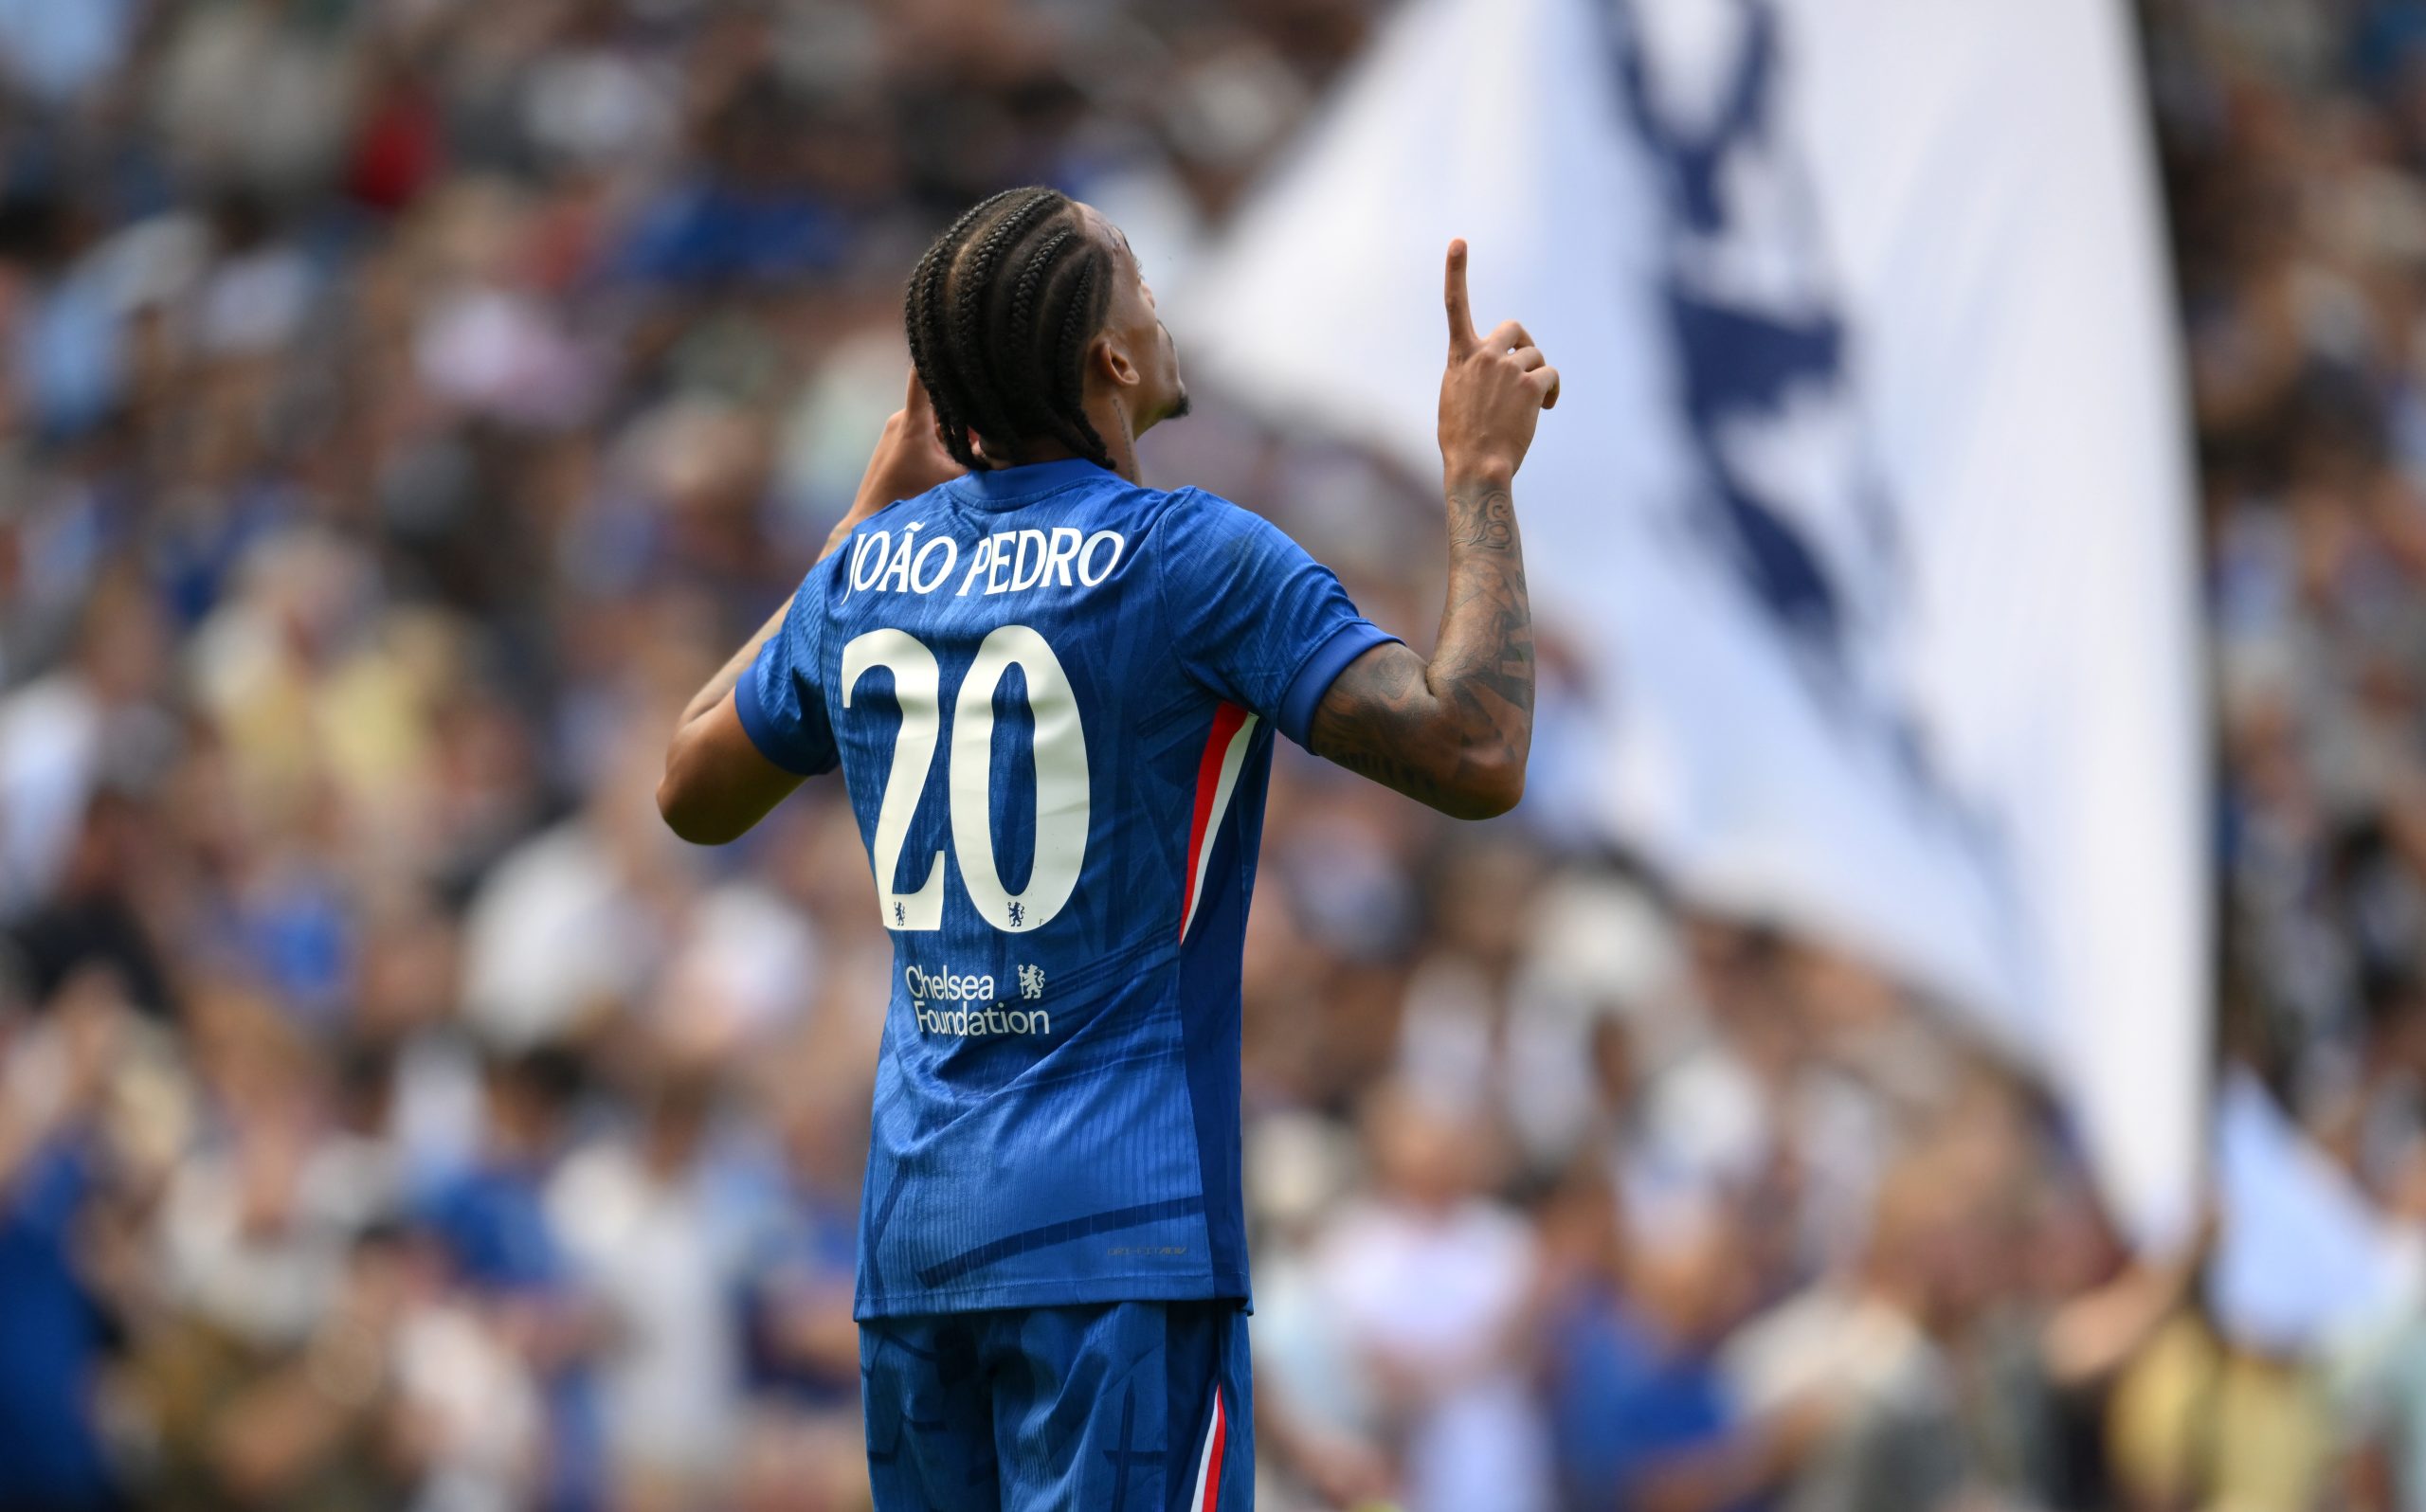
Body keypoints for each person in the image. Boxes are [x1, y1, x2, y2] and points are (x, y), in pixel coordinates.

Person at [656, 184, 1559, 1510]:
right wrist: (1478, 478)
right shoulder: (1190, 557)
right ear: (1112, 357)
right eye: (1134, 272)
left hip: (920, 1246)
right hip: (1122, 1241)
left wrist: (859, 524)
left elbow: (690, 784)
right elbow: (1474, 752)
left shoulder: (867, 574)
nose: (1157, 296)